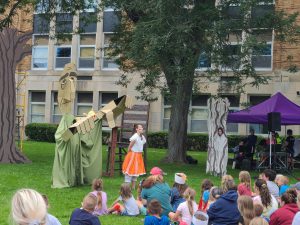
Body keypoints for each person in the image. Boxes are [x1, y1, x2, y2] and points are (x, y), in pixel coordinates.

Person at [122, 124, 147, 189]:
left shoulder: (142, 137)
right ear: (136, 129)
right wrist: (129, 154)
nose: (141, 129)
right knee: (129, 170)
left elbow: (141, 144)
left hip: (138, 155)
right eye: (140, 128)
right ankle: (126, 187)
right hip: (133, 155)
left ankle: (133, 187)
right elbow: (130, 146)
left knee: (136, 170)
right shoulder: (135, 136)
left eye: (142, 128)